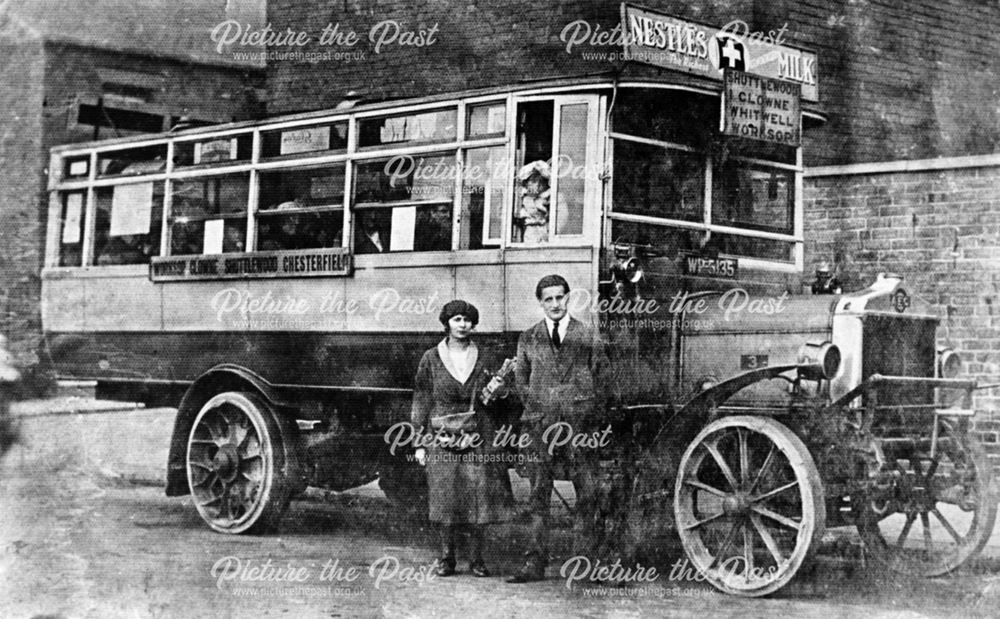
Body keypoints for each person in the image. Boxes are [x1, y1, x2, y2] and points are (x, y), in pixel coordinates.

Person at [508, 274, 611, 583]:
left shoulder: (587, 334)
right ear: (541, 303)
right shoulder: (528, 338)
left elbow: (603, 379)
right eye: (548, 299)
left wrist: (584, 411)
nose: (555, 304)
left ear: (568, 299)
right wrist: (541, 409)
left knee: (588, 495)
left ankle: (584, 564)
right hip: (540, 428)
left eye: (560, 297)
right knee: (537, 498)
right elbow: (521, 383)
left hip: (579, 428)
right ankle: (534, 564)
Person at [411, 300, 516, 577]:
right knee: (445, 498)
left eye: (468, 320)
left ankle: (477, 559)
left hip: (479, 434)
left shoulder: (485, 356)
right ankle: (447, 559)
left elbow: (501, 399)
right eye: (457, 319)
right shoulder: (431, 358)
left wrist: (501, 391)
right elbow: (421, 400)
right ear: (446, 323)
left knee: (478, 497)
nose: (463, 325)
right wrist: (419, 442)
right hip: (441, 435)